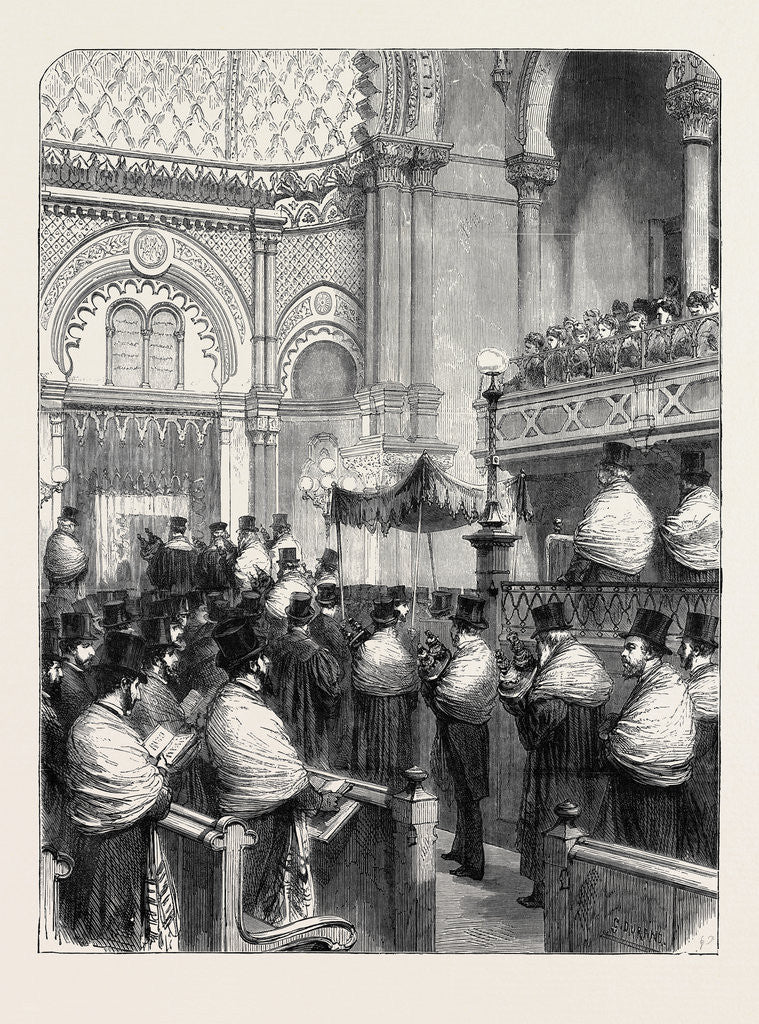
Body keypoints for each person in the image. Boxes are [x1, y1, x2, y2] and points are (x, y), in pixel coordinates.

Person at [205, 619, 329, 926]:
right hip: (262, 825)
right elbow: (287, 780)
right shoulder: (252, 713)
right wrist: (320, 800)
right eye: (262, 657)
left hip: (235, 817)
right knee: (263, 906)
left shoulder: (221, 701)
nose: (267, 661)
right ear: (252, 666)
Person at [60, 632, 176, 951]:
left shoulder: (84, 723)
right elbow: (158, 802)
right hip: (117, 857)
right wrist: (161, 770)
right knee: (117, 943)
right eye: (138, 686)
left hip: (85, 850)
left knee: (87, 935)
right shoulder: (113, 733)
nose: (138, 697)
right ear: (126, 684)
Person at [502, 602, 613, 909]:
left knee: (549, 822)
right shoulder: (588, 662)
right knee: (580, 825)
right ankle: (579, 889)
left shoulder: (555, 675)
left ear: (549, 640)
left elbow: (537, 728)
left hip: (555, 765)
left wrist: (517, 708)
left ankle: (545, 892)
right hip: (586, 765)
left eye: (539, 642)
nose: (537, 650)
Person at [594, 609, 695, 857]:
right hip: (643, 790)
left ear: (649, 652)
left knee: (646, 864)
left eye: (631, 648)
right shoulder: (654, 679)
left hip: (653, 797)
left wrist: (611, 737)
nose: (623, 654)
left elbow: (634, 743)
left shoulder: (666, 685)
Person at [420, 592, 497, 881]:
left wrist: (431, 685)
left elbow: (451, 696)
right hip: (462, 731)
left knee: (469, 798)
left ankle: (475, 863)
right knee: (462, 793)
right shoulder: (469, 654)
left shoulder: (476, 657)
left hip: (468, 733)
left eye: (455, 627)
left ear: (463, 630)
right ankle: (461, 849)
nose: (451, 632)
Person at [560, 441, 656, 584]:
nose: (598, 475)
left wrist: (570, 577)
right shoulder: (639, 504)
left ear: (609, 472)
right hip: (632, 581)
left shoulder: (603, 502)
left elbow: (587, 542)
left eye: (600, 470)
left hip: (603, 581)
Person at [352, 589, 419, 791]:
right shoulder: (401, 653)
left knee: (371, 764)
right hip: (396, 716)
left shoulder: (364, 649)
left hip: (369, 715)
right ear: (393, 625)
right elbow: (412, 690)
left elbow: (357, 687)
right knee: (395, 763)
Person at [269, 592, 341, 769]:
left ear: (290, 620)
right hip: (310, 720)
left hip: (280, 716)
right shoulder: (317, 653)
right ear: (308, 623)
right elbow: (330, 692)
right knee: (313, 763)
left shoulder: (275, 646)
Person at [677, 613, 719, 868]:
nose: (679, 652)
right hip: (702, 768)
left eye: (684, 646)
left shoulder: (706, 683)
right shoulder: (703, 678)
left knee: (698, 829)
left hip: (700, 769)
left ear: (697, 649)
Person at [659, 451, 720, 584]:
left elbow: (674, 531)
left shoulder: (699, 502)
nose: (680, 484)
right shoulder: (711, 498)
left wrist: (662, 528)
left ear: (690, 481)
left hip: (693, 570)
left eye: (683, 479)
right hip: (711, 567)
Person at [310, 581, 353, 768]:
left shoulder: (314, 623)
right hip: (335, 677)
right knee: (336, 720)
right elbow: (344, 653)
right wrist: (344, 635)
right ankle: (336, 759)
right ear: (334, 606)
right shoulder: (331, 626)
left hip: (319, 676)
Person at [55, 612, 100, 739]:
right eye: (86, 646)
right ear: (71, 649)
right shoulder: (65, 679)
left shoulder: (80, 673)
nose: (92, 652)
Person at [264, 547, 314, 636]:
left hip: (280, 629)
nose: (279, 571)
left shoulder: (281, 585)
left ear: (283, 567)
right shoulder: (304, 582)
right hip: (301, 629)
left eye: (280, 567)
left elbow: (269, 605)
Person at [43, 506, 89, 600]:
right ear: (68, 526)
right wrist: (83, 559)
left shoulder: (54, 538)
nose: (74, 528)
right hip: (66, 587)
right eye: (72, 525)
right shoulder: (61, 539)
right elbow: (77, 560)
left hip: (59, 585)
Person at [145, 515, 198, 594]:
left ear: (171, 531)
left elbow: (152, 572)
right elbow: (197, 575)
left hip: (168, 594)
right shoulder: (193, 551)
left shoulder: (164, 551)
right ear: (184, 531)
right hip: (189, 593)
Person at [234, 515, 274, 593]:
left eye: (240, 534)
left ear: (247, 535)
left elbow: (237, 570)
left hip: (252, 593)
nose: (239, 538)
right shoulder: (258, 546)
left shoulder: (251, 551)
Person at [196, 522, 237, 595]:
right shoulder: (207, 552)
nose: (219, 535)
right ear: (213, 534)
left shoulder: (232, 549)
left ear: (224, 533)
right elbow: (204, 569)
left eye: (221, 533)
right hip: (212, 586)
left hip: (227, 585)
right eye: (217, 533)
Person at [684, 290, 719, 358]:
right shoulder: (693, 325)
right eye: (692, 313)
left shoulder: (714, 323)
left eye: (697, 312)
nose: (695, 316)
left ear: (705, 307)